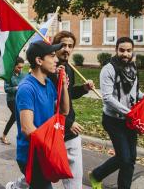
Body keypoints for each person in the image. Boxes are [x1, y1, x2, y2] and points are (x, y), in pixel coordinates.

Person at [7, 40, 69, 189]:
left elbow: (64, 111)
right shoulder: (26, 88)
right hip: (31, 155)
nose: (56, 60)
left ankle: (17, 186)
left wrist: (64, 86)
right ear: (39, 60)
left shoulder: (48, 84)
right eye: (52, 56)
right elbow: (27, 129)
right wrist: (53, 149)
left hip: (43, 152)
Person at [89, 37, 144, 189]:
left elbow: (133, 90)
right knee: (124, 158)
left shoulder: (132, 67)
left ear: (132, 51)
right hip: (113, 120)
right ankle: (96, 175)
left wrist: (143, 95)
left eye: (129, 51)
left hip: (129, 120)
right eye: (122, 50)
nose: (125, 54)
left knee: (130, 158)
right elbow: (107, 97)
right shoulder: (108, 69)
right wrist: (128, 112)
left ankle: (100, 176)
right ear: (116, 50)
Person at [52, 31, 95, 189]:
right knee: (39, 175)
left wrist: (84, 88)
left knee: (75, 181)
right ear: (56, 47)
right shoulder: (49, 69)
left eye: (70, 46)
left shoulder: (69, 68)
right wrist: (68, 121)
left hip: (71, 134)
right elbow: (48, 103)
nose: (67, 49)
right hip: (53, 131)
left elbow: (68, 96)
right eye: (63, 45)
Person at [1, 57, 26, 145]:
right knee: (17, 117)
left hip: (21, 99)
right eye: (19, 67)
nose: (20, 69)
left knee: (14, 118)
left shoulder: (24, 75)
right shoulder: (8, 75)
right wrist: (17, 88)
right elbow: (6, 88)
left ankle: (3, 135)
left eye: (22, 67)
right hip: (11, 100)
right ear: (14, 66)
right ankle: (23, 138)